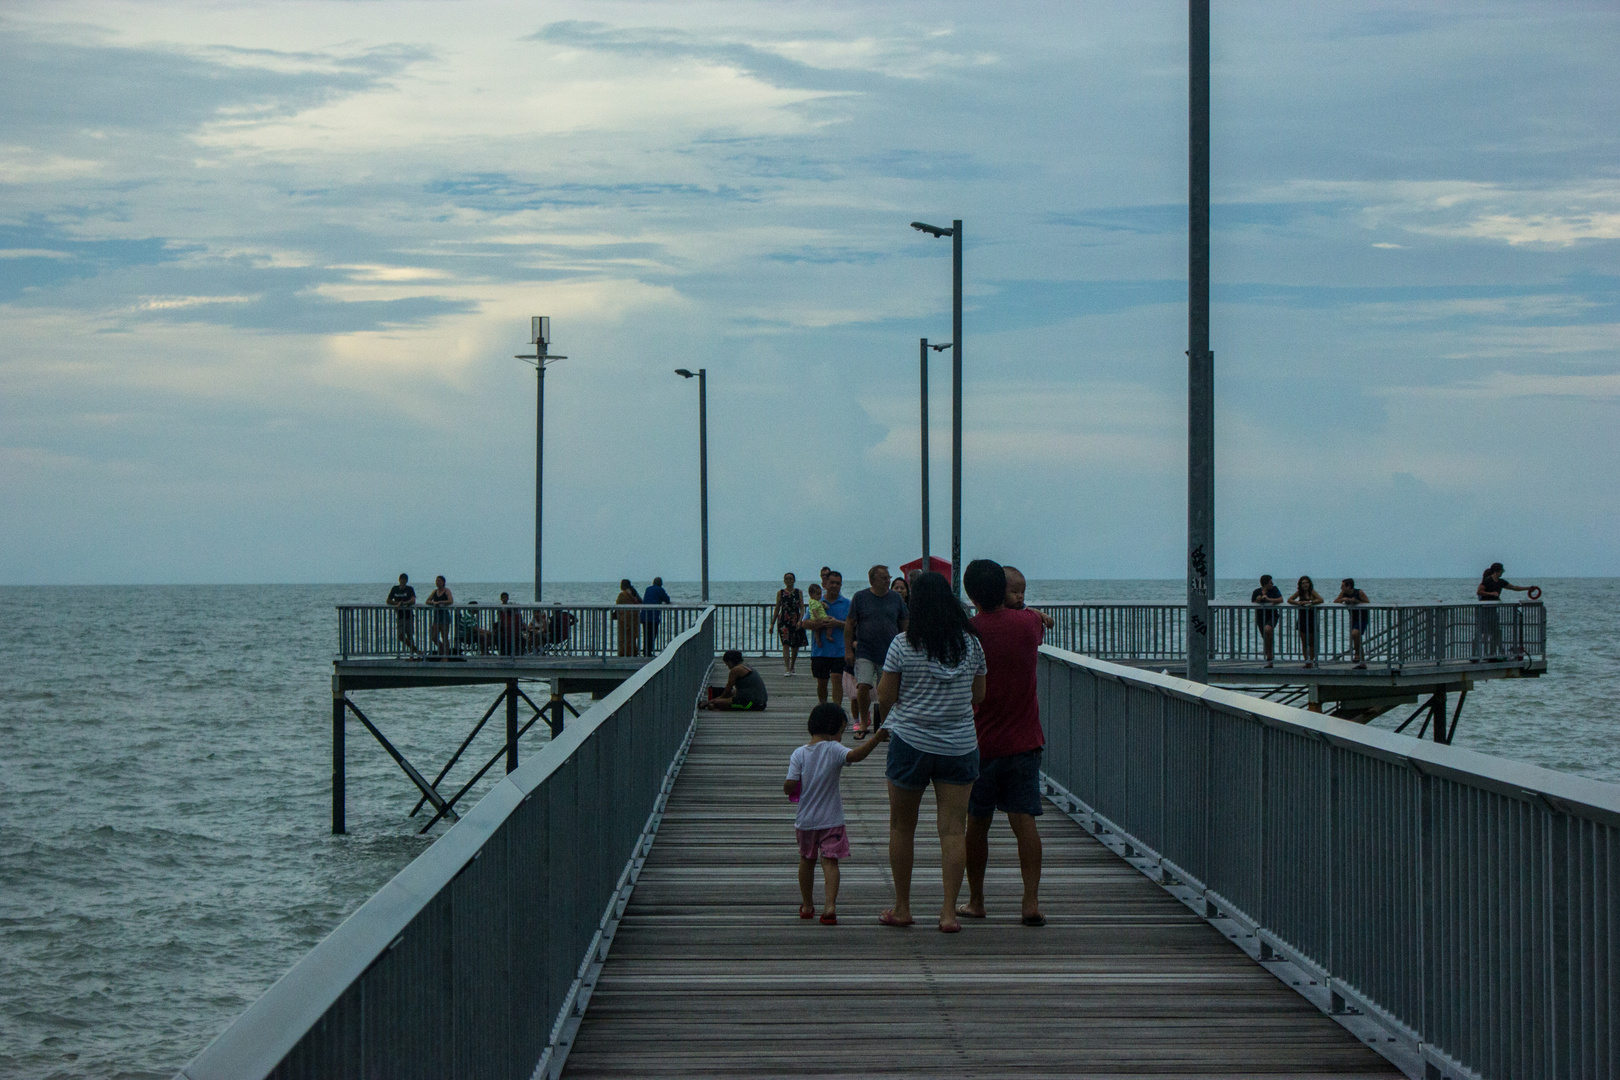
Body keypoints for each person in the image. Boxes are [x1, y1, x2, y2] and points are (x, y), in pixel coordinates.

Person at [875, 570, 986, 933]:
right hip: (959, 745)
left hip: (910, 743)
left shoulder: (903, 645)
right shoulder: (972, 645)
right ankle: (949, 913)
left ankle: (903, 907)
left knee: (902, 827)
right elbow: (978, 697)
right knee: (954, 830)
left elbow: (886, 698)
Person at [959, 559, 1048, 927]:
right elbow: (1031, 617)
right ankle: (1030, 901)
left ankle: (977, 900)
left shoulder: (969, 632)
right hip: (1025, 740)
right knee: (1023, 820)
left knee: (976, 823)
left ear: (971, 595)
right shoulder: (1029, 624)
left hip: (980, 742)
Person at [785, 703, 888, 924]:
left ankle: (807, 905)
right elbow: (856, 755)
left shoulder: (799, 753)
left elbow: (790, 784)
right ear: (832, 730)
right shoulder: (833, 748)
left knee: (806, 860)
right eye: (841, 731)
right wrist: (876, 739)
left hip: (806, 821)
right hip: (831, 820)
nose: (841, 737)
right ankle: (830, 906)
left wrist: (791, 788)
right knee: (830, 863)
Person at [846, 565, 908, 739]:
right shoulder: (860, 597)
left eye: (889, 578)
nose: (888, 581)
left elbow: (905, 621)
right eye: (884, 578)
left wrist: (906, 644)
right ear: (872, 580)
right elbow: (850, 623)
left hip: (889, 652)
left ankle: (884, 727)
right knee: (863, 685)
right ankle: (864, 723)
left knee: (886, 693)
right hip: (865, 650)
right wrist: (848, 649)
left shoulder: (896, 599)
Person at [802, 571, 851, 706]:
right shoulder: (816, 602)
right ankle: (823, 706)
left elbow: (854, 626)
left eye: (838, 583)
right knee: (822, 682)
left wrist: (837, 623)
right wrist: (818, 624)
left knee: (837, 679)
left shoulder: (847, 603)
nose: (834, 586)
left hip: (839, 650)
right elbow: (805, 623)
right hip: (820, 651)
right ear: (825, 584)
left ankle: (836, 709)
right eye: (832, 583)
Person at [1476, 563, 1538, 661]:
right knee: (1485, 633)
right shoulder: (1487, 581)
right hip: (1485, 610)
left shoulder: (1501, 582)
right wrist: (1491, 593)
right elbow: (1479, 591)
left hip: (1493, 610)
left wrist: (1528, 588)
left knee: (1496, 633)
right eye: (1501, 571)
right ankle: (1485, 653)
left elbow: (1514, 588)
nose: (1502, 573)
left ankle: (1493, 653)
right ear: (1497, 571)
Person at [700, 649, 770, 711]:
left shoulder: (736, 670)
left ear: (730, 662)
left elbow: (727, 692)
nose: (728, 667)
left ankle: (712, 704)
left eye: (727, 664)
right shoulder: (745, 666)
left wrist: (711, 701)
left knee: (716, 704)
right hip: (760, 702)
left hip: (751, 704)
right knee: (733, 692)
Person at [771, 573, 807, 676]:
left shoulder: (798, 592)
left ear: (794, 580)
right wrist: (772, 623)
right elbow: (777, 608)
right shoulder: (780, 593)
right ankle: (787, 669)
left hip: (795, 620)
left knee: (795, 645)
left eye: (790, 579)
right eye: (786, 579)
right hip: (784, 621)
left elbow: (802, 607)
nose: (788, 581)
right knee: (785, 644)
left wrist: (800, 620)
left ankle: (792, 666)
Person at [1287, 575, 1324, 667]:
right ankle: (1306, 661)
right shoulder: (1299, 593)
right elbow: (1289, 600)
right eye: (1303, 583)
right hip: (1302, 618)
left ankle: (1311, 660)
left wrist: (1310, 602)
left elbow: (1320, 600)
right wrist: (1298, 603)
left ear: (1309, 583)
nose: (1305, 585)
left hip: (1311, 618)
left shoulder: (1312, 592)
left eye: (1306, 583)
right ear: (1300, 585)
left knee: (1311, 642)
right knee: (1304, 642)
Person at [1334, 579, 1371, 668]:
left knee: (1355, 634)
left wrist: (1357, 602)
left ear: (1349, 586)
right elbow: (1335, 601)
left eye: (1343, 586)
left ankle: (1357, 655)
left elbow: (1368, 603)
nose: (1341, 588)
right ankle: (1362, 662)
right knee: (1356, 638)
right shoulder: (1344, 593)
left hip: (1362, 617)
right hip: (1353, 618)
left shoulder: (1359, 592)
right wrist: (1344, 599)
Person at [1252, 575, 1284, 666]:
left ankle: (1270, 655)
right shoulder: (1256, 592)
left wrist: (1268, 599)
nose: (1272, 584)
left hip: (1272, 615)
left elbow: (1281, 599)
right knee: (1265, 637)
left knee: (1268, 629)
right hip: (1261, 617)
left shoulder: (1274, 589)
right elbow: (1253, 603)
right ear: (1265, 583)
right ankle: (1269, 658)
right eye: (1270, 582)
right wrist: (1258, 600)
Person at [386, 573, 420, 656]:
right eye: (401, 579)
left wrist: (403, 603)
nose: (403, 581)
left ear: (407, 581)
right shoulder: (395, 589)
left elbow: (413, 600)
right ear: (399, 580)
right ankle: (416, 650)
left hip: (408, 616)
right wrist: (397, 603)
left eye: (404, 579)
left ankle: (412, 654)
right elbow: (388, 600)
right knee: (400, 636)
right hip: (400, 616)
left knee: (409, 635)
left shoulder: (409, 589)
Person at [641, 576, 671, 656]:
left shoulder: (648, 589)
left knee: (646, 635)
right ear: (660, 584)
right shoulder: (660, 590)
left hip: (644, 615)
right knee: (652, 634)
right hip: (653, 616)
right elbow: (667, 600)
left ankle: (645, 651)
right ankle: (648, 652)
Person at [425, 575, 453, 657]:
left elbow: (450, 600)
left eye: (439, 581)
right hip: (437, 615)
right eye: (436, 581)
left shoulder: (447, 591)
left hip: (444, 614)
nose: (437, 582)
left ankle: (446, 655)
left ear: (443, 582)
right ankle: (442, 650)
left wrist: (441, 602)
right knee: (434, 636)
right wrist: (433, 603)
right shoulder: (435, 592)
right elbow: (427, 601)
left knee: (444, 636)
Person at [495, 592, 525, 656]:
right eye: (503, 597)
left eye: (506, 597)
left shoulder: (515, 617)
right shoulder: (500, 609)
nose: (505, 599)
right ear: (501, 599)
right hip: (505, 630)